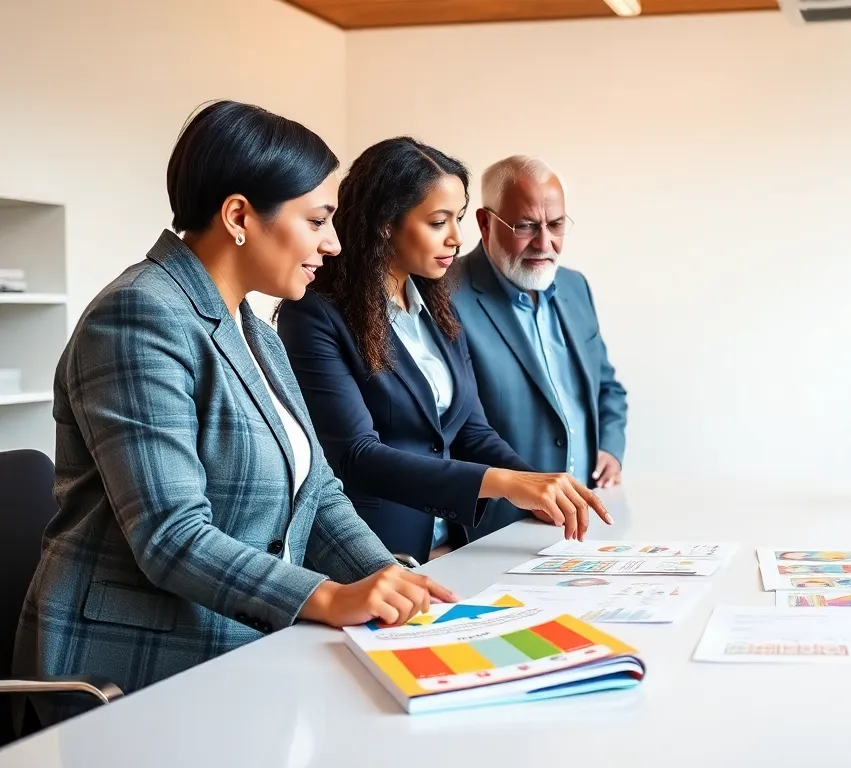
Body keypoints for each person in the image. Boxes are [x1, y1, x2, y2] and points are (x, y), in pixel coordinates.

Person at [12, 102, 453, 723]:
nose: (333, 243)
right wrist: (327, 597)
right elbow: (171, 535)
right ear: (240, 216)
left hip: (235, 643)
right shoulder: (138, 317)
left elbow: (320, 495)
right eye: (318, 220)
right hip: (131, 671)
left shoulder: (255, 328)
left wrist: (392, 582)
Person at [276, 138, 610, 565]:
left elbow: (471, 430)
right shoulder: (314, 314)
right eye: (438, 222)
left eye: (458, 218)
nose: (456, 237)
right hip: (370, 554)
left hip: (450, 547)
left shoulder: (437, 303)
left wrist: (540, 486)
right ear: (384, 223)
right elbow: (357, 456)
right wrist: (506, 482)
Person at [450, 155, 628, 537]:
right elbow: (454, 425)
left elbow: (607, 388)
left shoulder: (575, 286)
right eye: (526, 226)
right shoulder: (445, 293)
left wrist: (610, 448)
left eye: (557, 225)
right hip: (495, 530)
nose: (544, 243)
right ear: (485, 223)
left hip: (586, 517)